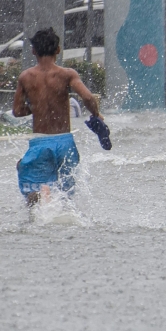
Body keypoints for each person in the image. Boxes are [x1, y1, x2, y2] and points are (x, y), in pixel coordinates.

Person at [12, 28, 104, 207]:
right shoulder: (67, 74)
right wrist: (96, 114)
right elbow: (87, 97)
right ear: (58, 50)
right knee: (64, 195)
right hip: (65, 143)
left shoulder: (26, 77)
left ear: (33, 51)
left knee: (32, 191)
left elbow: (17, 111)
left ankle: (40, 214)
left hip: (40, 143)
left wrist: (36, 107)